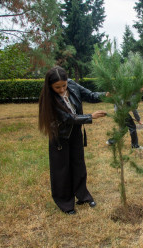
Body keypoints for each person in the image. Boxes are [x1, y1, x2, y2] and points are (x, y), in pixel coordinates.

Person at [38, 66, 107, 215]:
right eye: (57, 87)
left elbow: (91, 95)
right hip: (60, 135)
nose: (62, 89)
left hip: (75, 132)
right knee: (62, 170)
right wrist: (90, 117)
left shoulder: (72, 84)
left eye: (64, 85)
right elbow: (67, 117)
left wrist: (107, 95)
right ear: (50, 85)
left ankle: (83, 196)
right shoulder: (49, 97)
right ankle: (65, 203)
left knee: (79, 165)